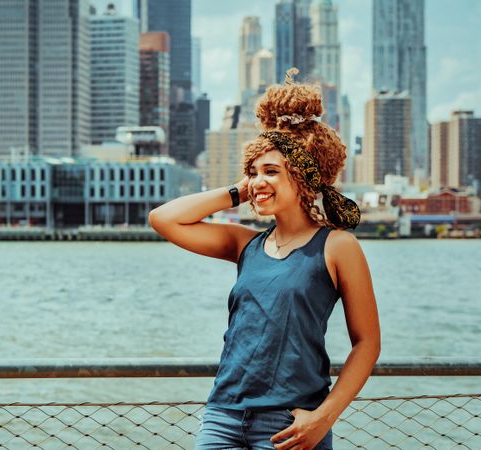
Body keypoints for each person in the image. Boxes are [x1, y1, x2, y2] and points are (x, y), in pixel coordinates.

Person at [148, 69, 380, 450]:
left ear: (305, 177)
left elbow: (367, 343)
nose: (258, 180)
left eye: (271, 171)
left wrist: (324, 418)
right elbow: (164, 218)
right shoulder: (245, 245)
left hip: (290, 426)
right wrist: (243, 189)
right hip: (222, 417)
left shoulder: (337, 246)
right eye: (253, 171)